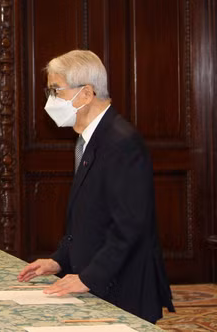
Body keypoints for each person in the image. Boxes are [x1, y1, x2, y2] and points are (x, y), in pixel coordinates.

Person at [17, 50, 174, 324]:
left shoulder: (121, 142)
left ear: (86, 94)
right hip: (99, 282)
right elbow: (89, 217)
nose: (51, 100)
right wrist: (59, 260)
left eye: (56, 90)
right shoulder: (90, 139)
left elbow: (130, 227)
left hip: (121, 289)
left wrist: (89, 278)